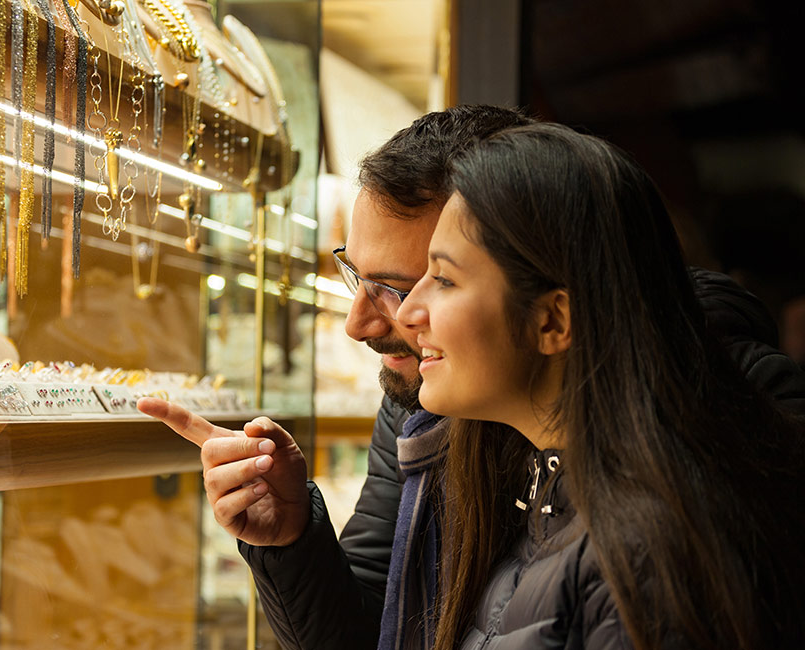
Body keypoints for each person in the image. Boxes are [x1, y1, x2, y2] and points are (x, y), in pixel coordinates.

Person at [138, 106, 805, 650]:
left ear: (551, 310)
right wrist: (290, 542)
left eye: (424, 280)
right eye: (356, 274)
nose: (362, 324)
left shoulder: (677, 492)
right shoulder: (436, 413)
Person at [390, 122, 805, 649]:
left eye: (444, 279)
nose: (408, 312)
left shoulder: (648, 561)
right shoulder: (546, 501)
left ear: (552, 321)